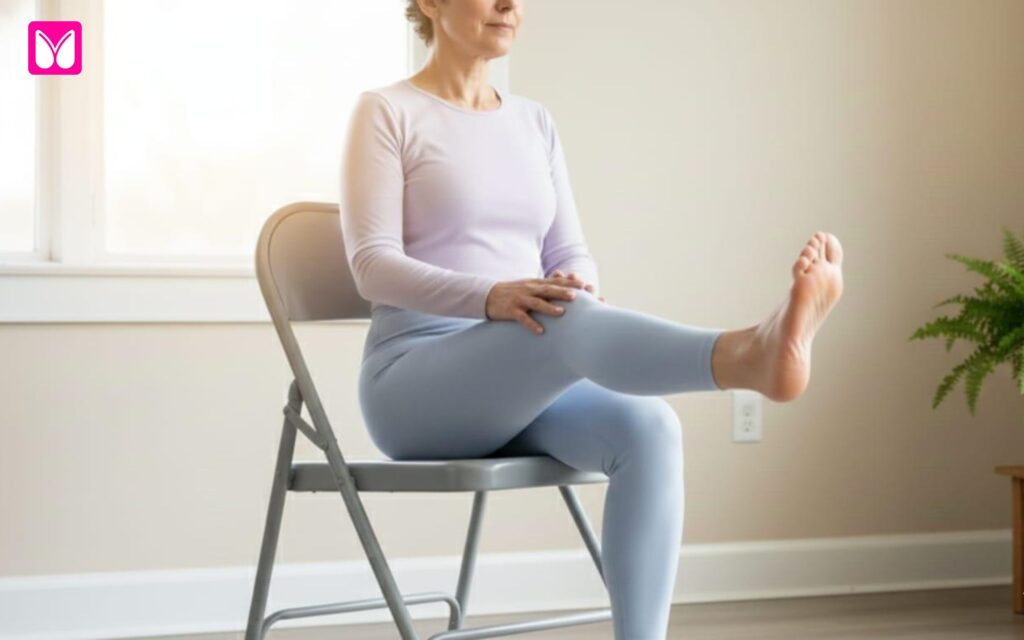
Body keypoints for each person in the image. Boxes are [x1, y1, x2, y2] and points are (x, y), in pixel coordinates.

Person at [338, 1, 845, 638]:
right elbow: (371, 266)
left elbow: (568, 252)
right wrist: (493, 296)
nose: (509, 5)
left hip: (519, 377)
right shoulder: (387, 112)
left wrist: (579, 284)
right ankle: (746, 355)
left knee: (650, 426)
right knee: (563, 319)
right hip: (415, 384)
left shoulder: (533, 122)